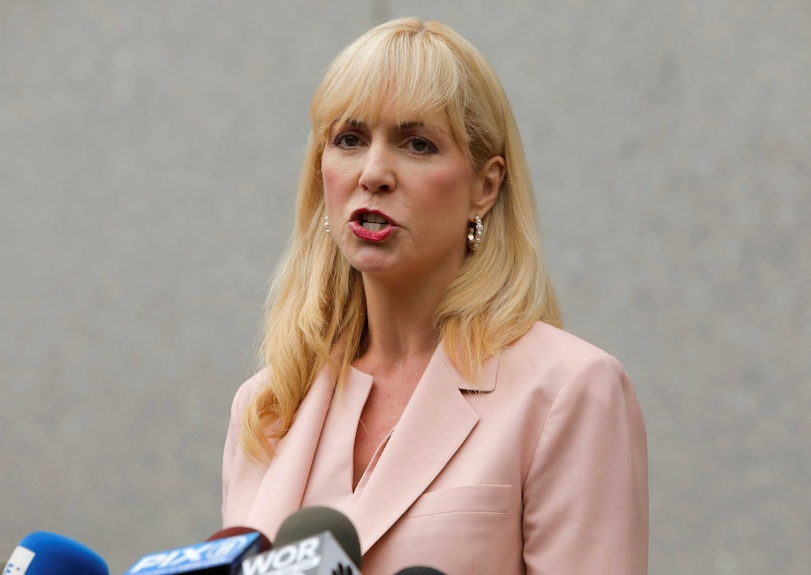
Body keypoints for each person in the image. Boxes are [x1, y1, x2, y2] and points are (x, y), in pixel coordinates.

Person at [221, 17, 648, 575]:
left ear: (485, 186)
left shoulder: (570, 392)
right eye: (349, 139)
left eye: (417, 143)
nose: (373, 173)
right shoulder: (268, 407)